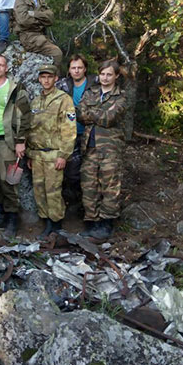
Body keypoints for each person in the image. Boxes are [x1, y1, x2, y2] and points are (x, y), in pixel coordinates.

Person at [0, 54, 30, 237]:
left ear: (6, 68)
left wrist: (20, 141)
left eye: (1, 65)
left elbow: (25, 116)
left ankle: (12, 217)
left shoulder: (15, 89)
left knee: (9, 180)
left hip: (8, 142)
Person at [78, 60, 127, 240]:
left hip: (110, 149)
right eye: (102, 74)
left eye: (109, 74)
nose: (105, 78)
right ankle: (92, 222)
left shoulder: (120, 97)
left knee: (109, 186)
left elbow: (109, 118)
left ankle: (106, 223)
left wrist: (92, 113)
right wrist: (96, 114)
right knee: (89, 185)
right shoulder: (91, 93)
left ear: (116, 76)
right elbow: (80, 115)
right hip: (90, 147)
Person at [26, 65, 77, 238]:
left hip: (55, 154)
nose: (46, 80)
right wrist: (30, 154)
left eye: (50, 77)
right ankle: (46, 221)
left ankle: (56, 224)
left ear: (56, 78)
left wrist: (64, 155)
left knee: (53, 191)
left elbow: (69, 130)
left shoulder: (63, 99)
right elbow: (31, 130)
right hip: (38, 154)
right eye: (43, 77)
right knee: (39, 190)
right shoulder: (35, 101)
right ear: (39, 79)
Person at [56, 55, 98, 212]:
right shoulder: (63, 84)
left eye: (79, 67)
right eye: (73, 68)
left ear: (85, 69)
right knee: (72, 171)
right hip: (69, 134)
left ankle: (89, 207)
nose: (76, 71)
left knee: (91, 171)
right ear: (69, 70)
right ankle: (74, 203)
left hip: (91, 133)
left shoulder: (95, 82)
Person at [13, 0, 62, 66]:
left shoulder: (39, 1)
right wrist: (41, 22)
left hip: (40, 36)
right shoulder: (20, 0)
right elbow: (23, 20)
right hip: (28, 37)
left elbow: (50, 18)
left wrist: (33, 14)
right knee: (57, 53)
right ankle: (54, 78)